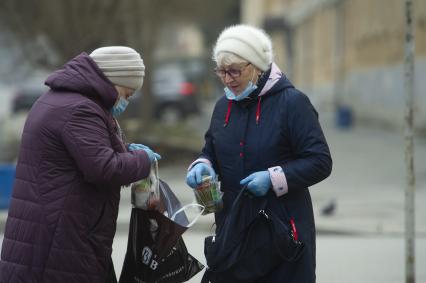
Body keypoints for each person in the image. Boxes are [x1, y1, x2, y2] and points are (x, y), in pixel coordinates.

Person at [0, 46, 161, 283]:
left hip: (56, 234)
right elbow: (104, 168)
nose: (126, 101)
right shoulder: (80, 109)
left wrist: (127, 152)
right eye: (127, 93)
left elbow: (83, 155)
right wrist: (142, 160)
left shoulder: (61, 100)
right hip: (61, 241)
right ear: (113, 81)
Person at [186, 25, 332, 282]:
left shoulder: (292, 103)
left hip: (283, 237)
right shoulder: (223, 106)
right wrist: (203, 164)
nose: (227, 79)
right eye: (221, 71)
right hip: (234, 232)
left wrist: (274, 179)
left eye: (235, 71)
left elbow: (320, 161)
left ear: (257, 66)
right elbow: (211, 148)